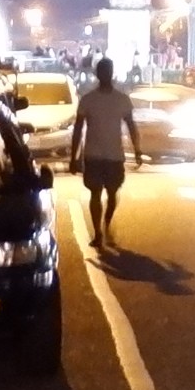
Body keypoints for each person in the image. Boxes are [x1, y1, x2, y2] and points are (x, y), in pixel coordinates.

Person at [72, 57, 136, 250]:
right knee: (95, 193)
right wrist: (74, 157)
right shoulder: (88, 100)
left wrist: (138, 150)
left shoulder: (122, 99)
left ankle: (106, 222)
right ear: (98, 74)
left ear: (111, 73)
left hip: (115, 155)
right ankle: (98, 233)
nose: (106, 75)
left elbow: (131, 125)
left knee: (112, 193)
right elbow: (77, 129)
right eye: (103, 71)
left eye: (108, 71)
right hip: (93, 156)